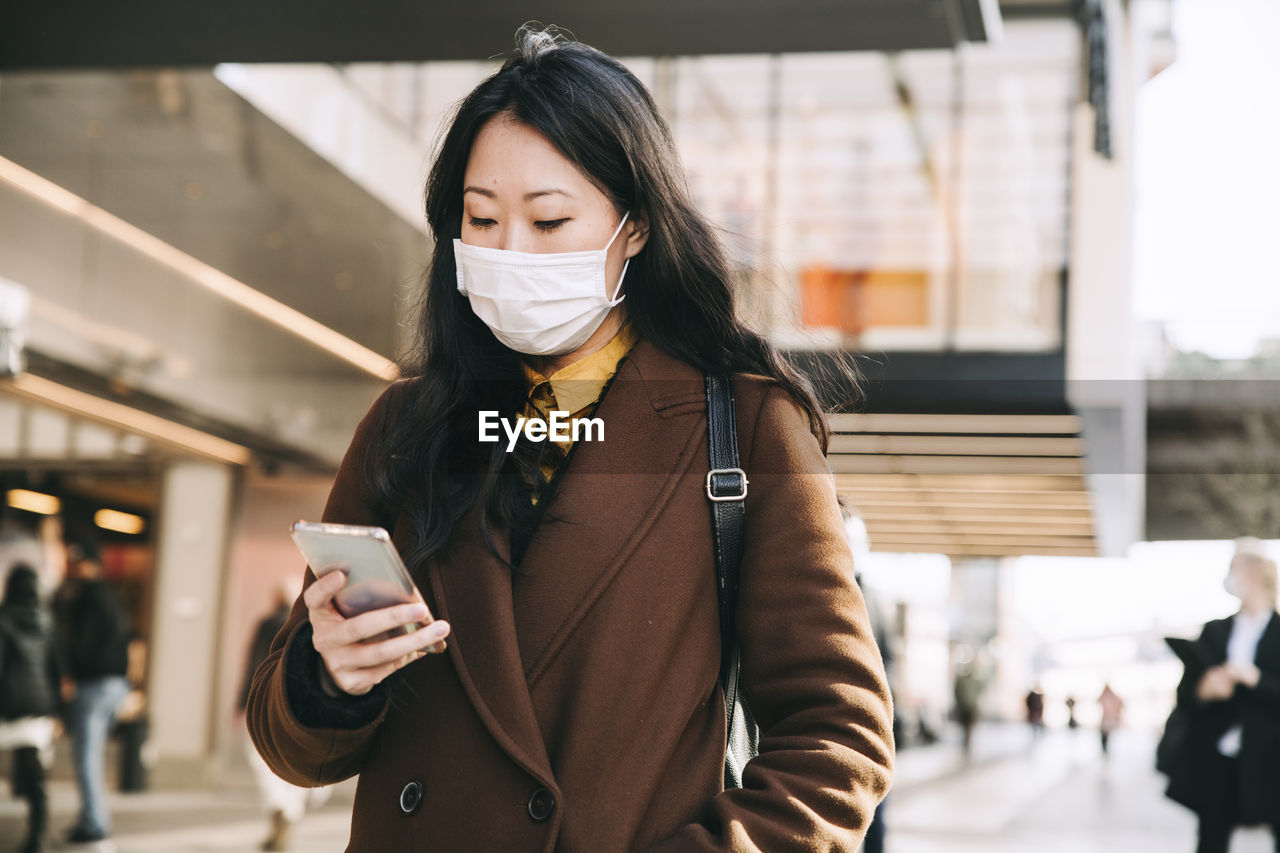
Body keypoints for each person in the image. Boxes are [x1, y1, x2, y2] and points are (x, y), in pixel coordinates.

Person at [246, 26, 894, 852]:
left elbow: (839, 738)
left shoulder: (745, 426)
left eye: (549, 221)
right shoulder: (408, 425)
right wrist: (328, 677)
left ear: (636, 228)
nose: (508, 253)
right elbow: (288, 742)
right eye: (480, 218)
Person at [1159, 542, 1280, 853]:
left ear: (1253, 575)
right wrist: (1204, 690)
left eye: (1232, 570)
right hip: (1218, 754)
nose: (1228, 578)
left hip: (1270, 757)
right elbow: (1186, 693)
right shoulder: (1215, 631)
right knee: (1211, 837)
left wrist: (1255, 679)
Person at [237, 583, 331, 852]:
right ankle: (288, 814)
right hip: (301, 703)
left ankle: (281, 811)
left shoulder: (268, 623)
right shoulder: (311, 624)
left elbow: (253, 663)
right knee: (294, 764)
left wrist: (242, 701)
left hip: (267, 699)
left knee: (261, 759)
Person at [55, 540, 132, 846]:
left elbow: (80, 643)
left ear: (89, 564)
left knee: (87, 756)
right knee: (92, 755)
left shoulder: (87, 597)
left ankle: (94, 823)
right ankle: (96, 819)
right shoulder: (111, 598)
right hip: (114, 683)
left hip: (95, 683)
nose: (72, 567)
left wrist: (69, 673)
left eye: (77, 561)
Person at [0, 565, 62, 853]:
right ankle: (37, 836)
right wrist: (57, 707)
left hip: (9, 703)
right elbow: (55, 668)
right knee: (35, 773)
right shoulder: (47, 621)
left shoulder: (4, 619)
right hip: (39, 704)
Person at [1097, 683, 1124, 756]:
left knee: (1107, 736)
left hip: (1109, 720)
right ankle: (1104, 749)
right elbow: (1098, 701)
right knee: (1104, 735)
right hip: (1106, 720)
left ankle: (1106, 749)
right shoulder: (1105, 696)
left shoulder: (1113, 696)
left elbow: (1121, 703)